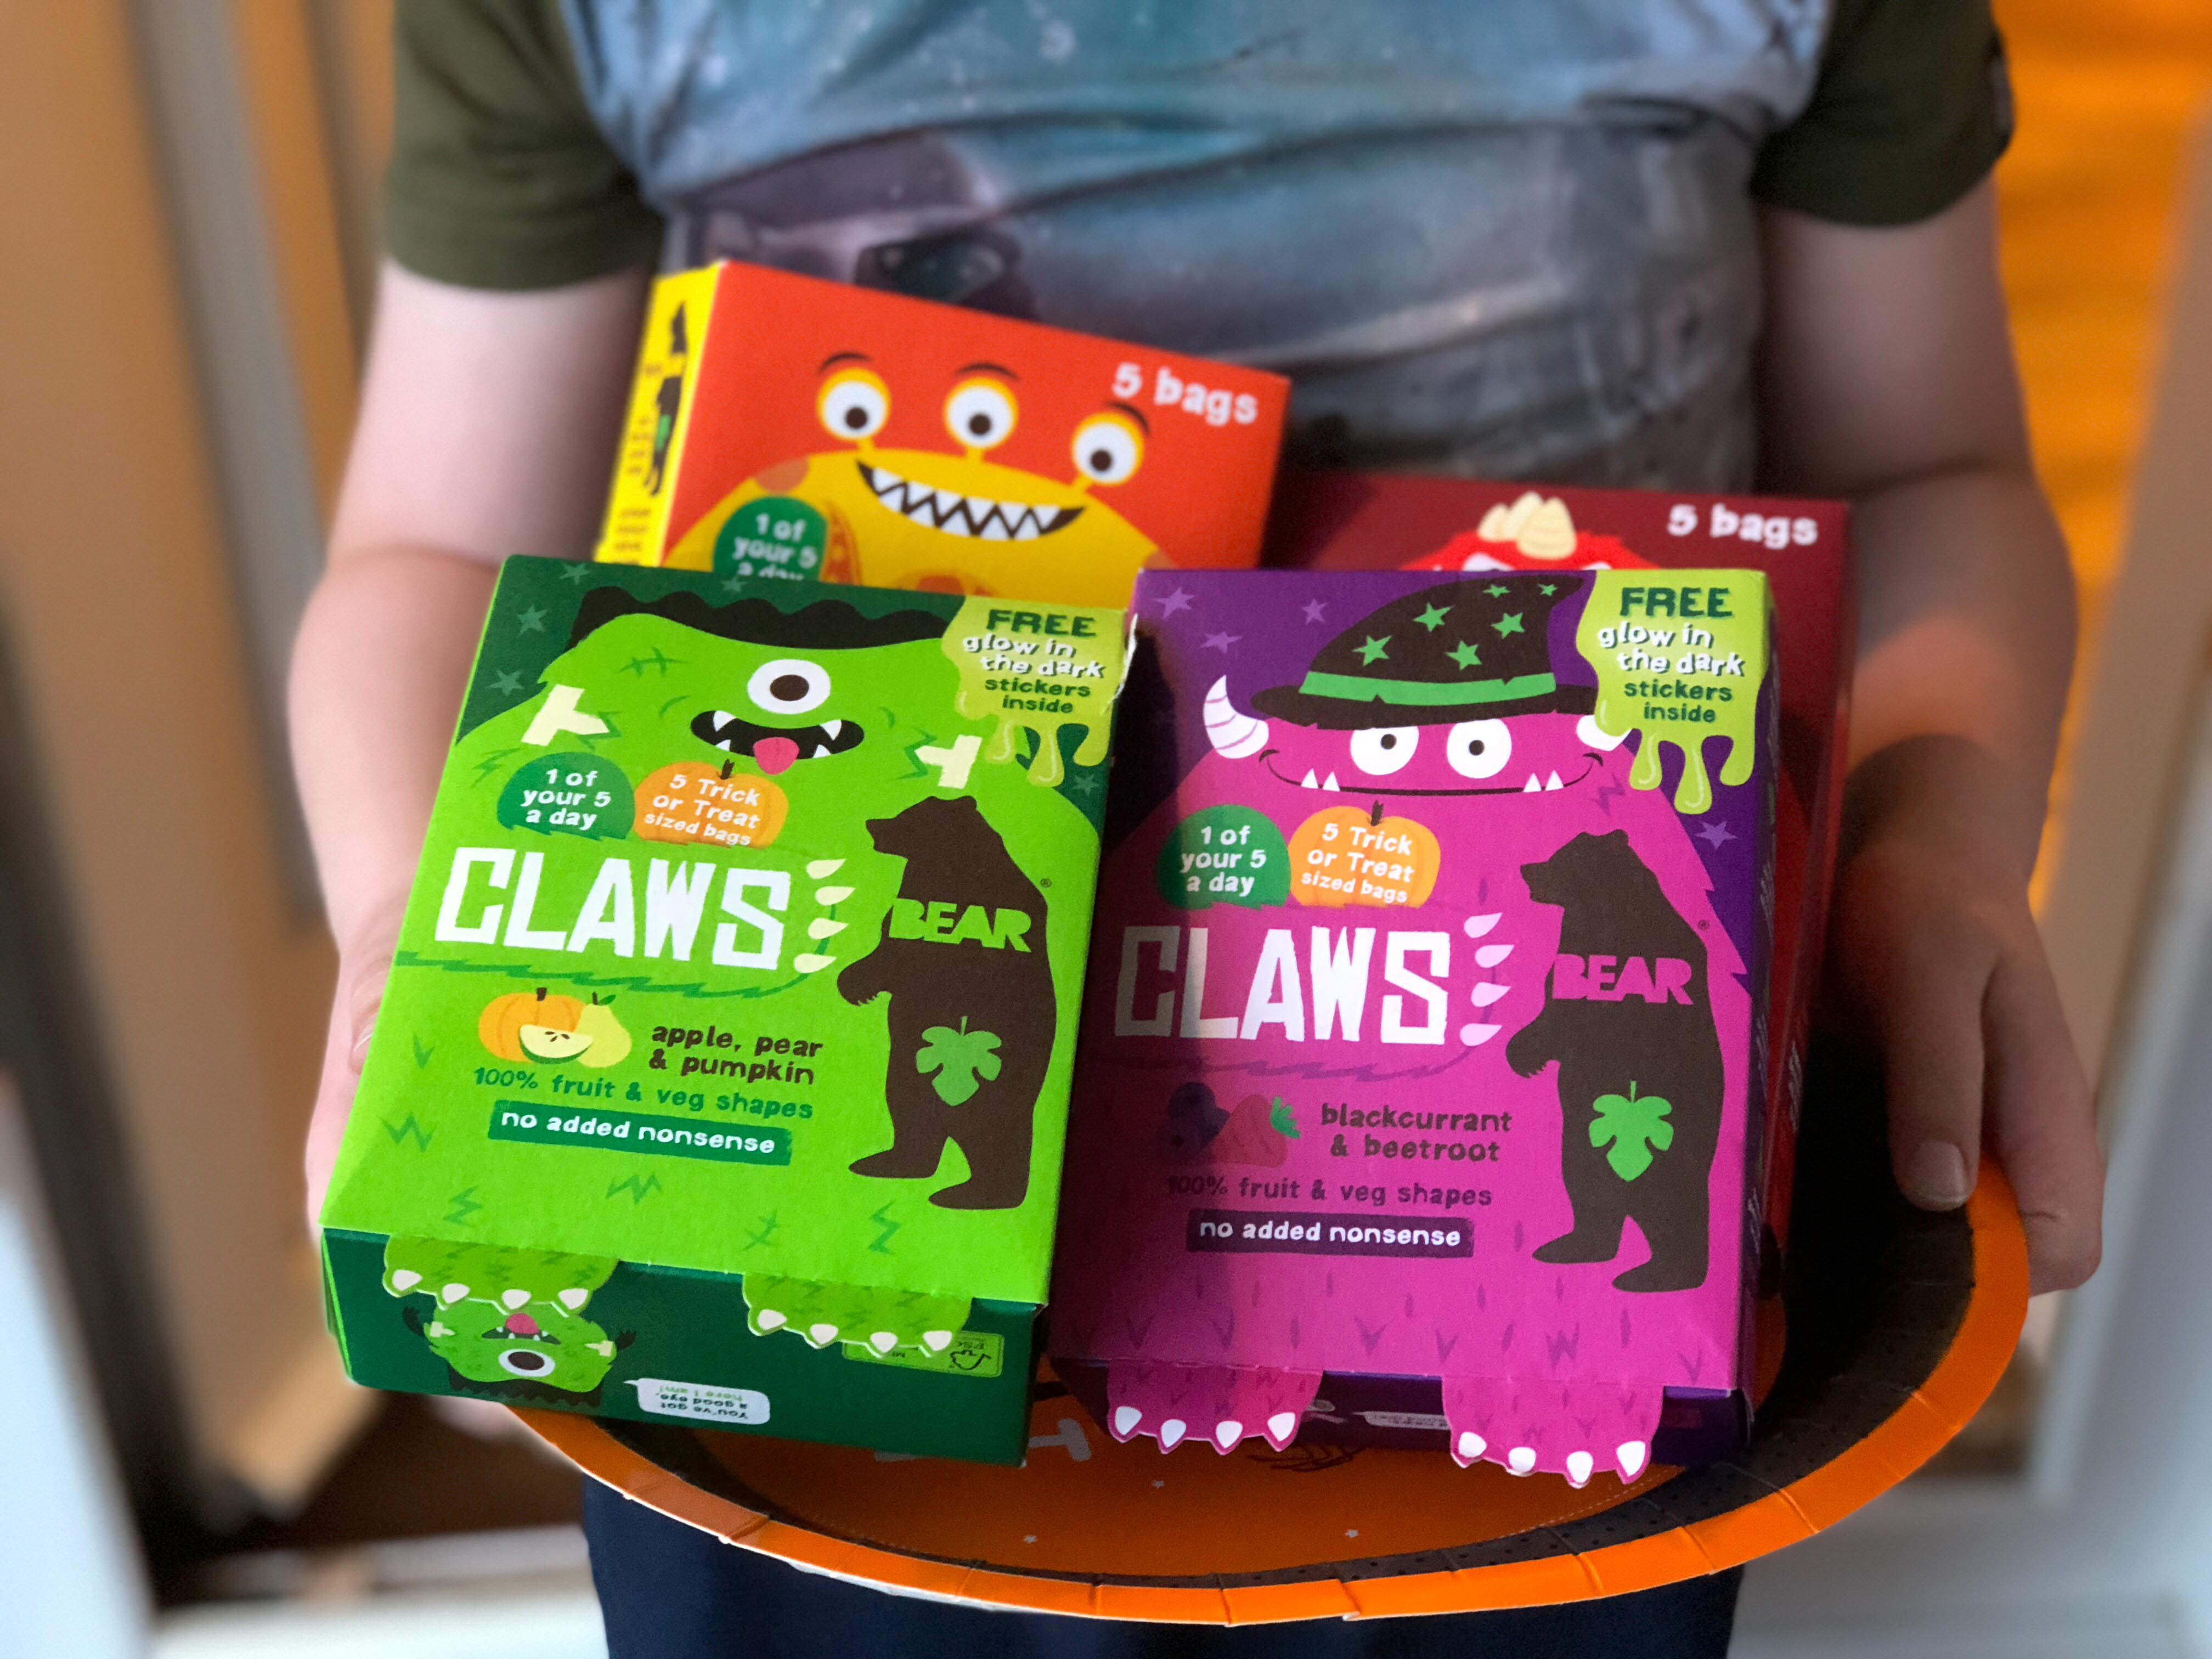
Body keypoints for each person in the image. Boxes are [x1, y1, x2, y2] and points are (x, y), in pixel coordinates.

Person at [292, 2, 2104, 1653]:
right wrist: (414, 931)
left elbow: (1925, 466)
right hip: (807, 1242)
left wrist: (1928, 823)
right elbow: (440, 545)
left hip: (1496, 1241)